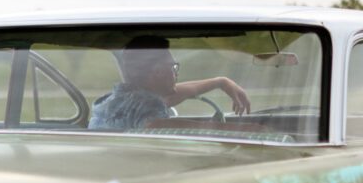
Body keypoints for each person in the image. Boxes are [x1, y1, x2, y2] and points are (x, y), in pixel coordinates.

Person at [89, 35, 251, 130]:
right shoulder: (148, 107)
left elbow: (174, 94)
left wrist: (220, 82)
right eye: (173, 66)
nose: (176, 72)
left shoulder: (116, 99)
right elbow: (157, 125)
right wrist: (243, 129)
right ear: (158, 71)